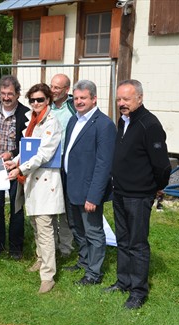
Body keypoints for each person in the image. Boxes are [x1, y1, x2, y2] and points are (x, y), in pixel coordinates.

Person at [106, 79, 171, 309]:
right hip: (121, 192)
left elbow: (162, 165)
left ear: (140, 98)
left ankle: (138, 291)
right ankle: (123, 281)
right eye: (119, 99)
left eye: (126, 99)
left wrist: (155, 187)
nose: (122, 103)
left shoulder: (149, 124)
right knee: (122, 240)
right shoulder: (124, 121)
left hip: (139, 195)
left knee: (137, 243)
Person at [6, 83, 64, 294]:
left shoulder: (51, 122)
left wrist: (20, 167)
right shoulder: (32, 121)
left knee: (45, 228)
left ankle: (48, 276)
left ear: (48, 100)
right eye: (32, 100)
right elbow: (28, 148)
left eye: (40, 99)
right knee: (36, 225)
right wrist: (15, 161)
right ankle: (41, 259)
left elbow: (44, 154)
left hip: (45, 180)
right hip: (30, 179)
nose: (36, 103)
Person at [62, 79, 116, 285]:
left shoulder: (104, 125)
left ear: (94, 99)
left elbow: (104, 165)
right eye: (76, 98)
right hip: (72, 187)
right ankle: (84, 262)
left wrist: (94, 196)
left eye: (83, 98)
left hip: (88, 192)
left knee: (93, 232)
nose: (79, 102)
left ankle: (94, 274)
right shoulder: (74, 120)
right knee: (77, 229)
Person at [0, 75, 29, 260]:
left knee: (16, 207)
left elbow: (27, 144)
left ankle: (16, 247)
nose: (6, 97)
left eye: (10, 93)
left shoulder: (26, 114)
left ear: (18, 94)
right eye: (3, 93)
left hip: (15, 167)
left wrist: (11, 154)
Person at [49, 73, 76, 258]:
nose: (53, 90)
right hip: (48, 164)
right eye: (51, 86)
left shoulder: (74, 107)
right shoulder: (45, 106)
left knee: (66, 208)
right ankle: (50, 246)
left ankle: (66, 248)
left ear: (67, 90)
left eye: (57, 88)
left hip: (67, 164)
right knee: (50, 207)